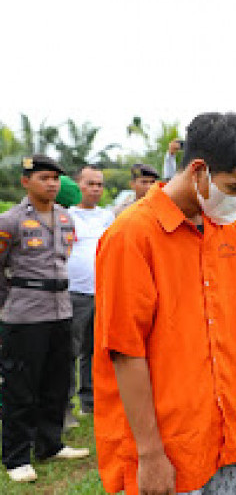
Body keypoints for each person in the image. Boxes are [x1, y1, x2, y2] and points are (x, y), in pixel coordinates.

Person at [92, 112, 236, 494]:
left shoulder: (221, 230)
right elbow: (126, 352)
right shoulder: (131, 236)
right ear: (198, 170)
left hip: (224, 436)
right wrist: (150, 453)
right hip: (168, 447)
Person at [0, 155, 89, 483]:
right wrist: (5, 307)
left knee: (56, 382)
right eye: (43, 177)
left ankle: (49, 443)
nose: (51, 183)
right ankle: (16, 456)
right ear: (26, 182)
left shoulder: (66, 219)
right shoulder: (10, 221)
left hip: (61, 309)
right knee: (21, 388)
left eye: (55, 178)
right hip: (24, 314)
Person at [63, 166, 115, 429]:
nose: (96, 189)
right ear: (78, 185)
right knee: (69, 351)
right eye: (90, 184)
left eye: (99, 184)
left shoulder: (108, 217)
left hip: (103, 293)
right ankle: (66, 408)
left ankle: (90, 400)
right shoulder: (67, 216)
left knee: (94, 351)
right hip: (75, 292)